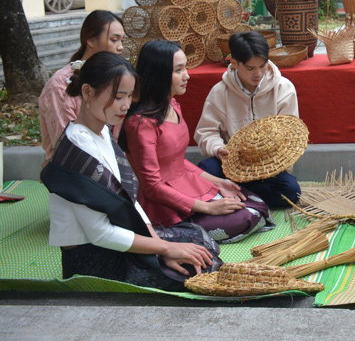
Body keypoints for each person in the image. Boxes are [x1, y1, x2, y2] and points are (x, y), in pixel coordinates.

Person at [41, 52, 220, 291]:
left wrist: (161, 247)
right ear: (87, 92)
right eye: (117, 97)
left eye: (128, 96)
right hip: (94, 261)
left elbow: (129, 199)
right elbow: (100, 234)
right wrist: (166, 248)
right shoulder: (78, 148)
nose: (125, 106)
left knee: (199, 241)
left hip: (117, 239)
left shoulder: (101, 130)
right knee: (198, 270)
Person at [121, 40, 273, 243]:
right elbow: (153, 187)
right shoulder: (140, 124)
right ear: (159, 73)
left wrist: (219, 183)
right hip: (164, 203)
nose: (187, 75)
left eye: (185, 68)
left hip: (186, 183)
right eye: (179, 70)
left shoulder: (172, 105)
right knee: (247, 217)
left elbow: (176, 161)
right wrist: (208, 207)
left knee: (255, 204)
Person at [195, 31, 301, 207]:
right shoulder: (220, 92)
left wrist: (271, 161)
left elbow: (290, 133)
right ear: (234, 63)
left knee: (291, 191)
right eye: (250, 68)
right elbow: (205, 132)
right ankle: (242, 196)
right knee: (203, 171)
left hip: (270, 168)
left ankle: (232, 196)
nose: (258, 73)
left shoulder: (284, 88)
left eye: (263, 66)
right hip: (232, 165)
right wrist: (218, 149)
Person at [39, 10, 125, 161]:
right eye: (114, 40)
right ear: (91, 40)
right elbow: (66, 143)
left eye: (122, 41)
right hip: (76, 171)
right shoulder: (60, 85)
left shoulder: (116, 78)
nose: (120, 47)